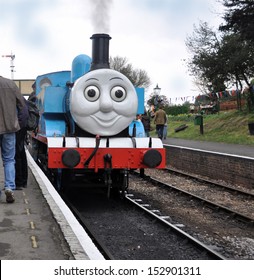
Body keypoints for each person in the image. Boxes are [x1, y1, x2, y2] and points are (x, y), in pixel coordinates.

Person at [0, 76, 26, 203]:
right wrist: (19, 123)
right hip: (10, 128)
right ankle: (9, 187)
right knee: (9, 159)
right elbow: (23, 105)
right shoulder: (10, 84)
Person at [15, 96, 29, 190]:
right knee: (21, 153)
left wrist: (17, 126)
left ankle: (19, 182)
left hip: (18, 128)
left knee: (17, 154)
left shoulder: (16, 97)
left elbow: (23, 114)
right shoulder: (20, 97)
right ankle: (23, 181)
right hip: (21, 127)